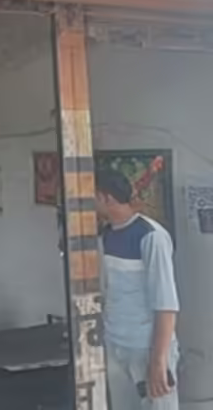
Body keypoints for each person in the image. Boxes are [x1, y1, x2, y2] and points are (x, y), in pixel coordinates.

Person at [95, 169, 180, 410]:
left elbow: (166, 304)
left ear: (106, 198)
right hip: (116, 345)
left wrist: (158, 360)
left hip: (146, 347)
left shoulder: (151, 236)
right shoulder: (106, 236)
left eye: (92, 197)